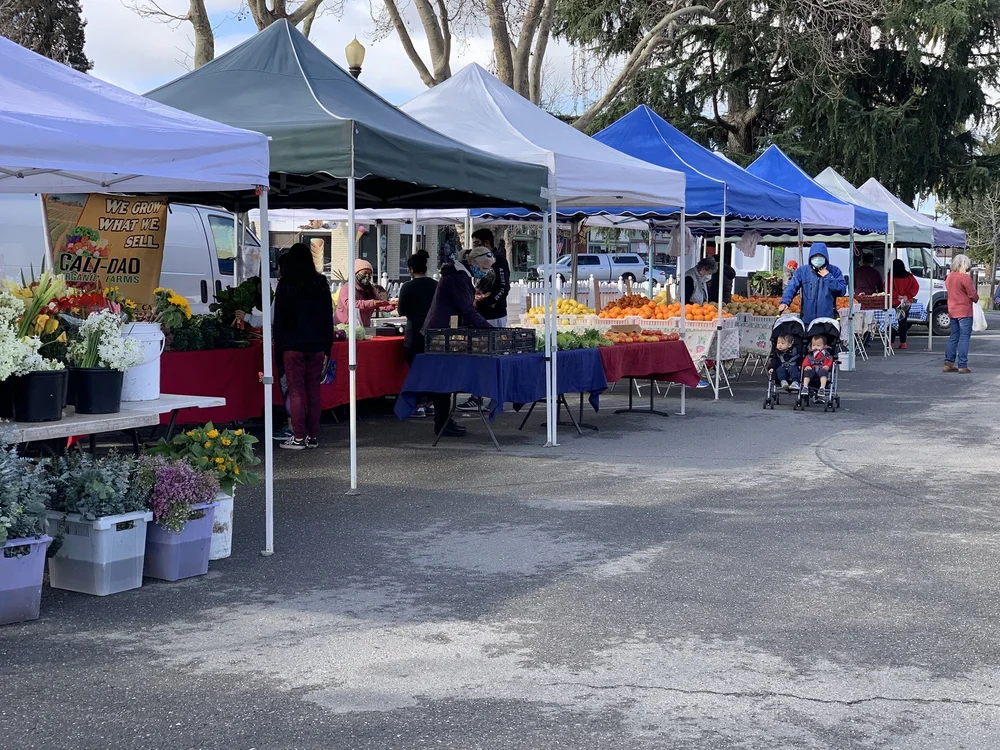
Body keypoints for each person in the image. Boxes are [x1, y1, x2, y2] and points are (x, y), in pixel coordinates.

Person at [422, 245, 496, 437]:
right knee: (443, 380)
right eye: (485, 268)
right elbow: (467, 310)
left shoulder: (457, 275)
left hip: (444, 331)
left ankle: (445, 421)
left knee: (444, 379)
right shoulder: (456, 277)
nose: (485, 272)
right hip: (440, 334)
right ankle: (442, 422)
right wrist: (489, 328)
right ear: (473, 263)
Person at [273, 243, 334, 450]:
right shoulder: (321, 283)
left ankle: (298, 437)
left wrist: (277, 347)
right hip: (317, 345)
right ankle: (313, 436)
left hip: (292, 346)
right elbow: (328, 318)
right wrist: (328, 347)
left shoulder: (286, 284)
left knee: (296, 391)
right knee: (314, 391)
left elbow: (279, 320)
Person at [397, 250, 438, 418]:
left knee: (415, 368)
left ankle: (418, 404)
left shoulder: (407, 287)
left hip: (414, 331)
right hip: (432, 331)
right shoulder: (435, 285)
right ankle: (430, 402)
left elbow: (401, 310)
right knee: (430, 368)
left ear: (411, 269)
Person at [778, 243, 846, 325]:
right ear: (810, 258)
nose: (817, 259)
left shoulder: (834, 271)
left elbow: (842, 290)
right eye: (815, 256)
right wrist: (785, 302)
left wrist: (828, 277)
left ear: (826, 258)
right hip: (807, 319)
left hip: (827, 320)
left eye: (820, 256)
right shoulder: (802, 271)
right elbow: (791, 287)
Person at [944, 253, 979, 374]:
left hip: (952, 310)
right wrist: (976, 298)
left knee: (953, 337)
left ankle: (948, 363)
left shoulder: (949, 277)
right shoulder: (964, 277)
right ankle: (962, 365)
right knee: (964, 338)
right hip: (964, 311)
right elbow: (973, 295)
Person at [334, 258, 395, 327]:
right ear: (356, 273)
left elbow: (380, 304)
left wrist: (392, 305)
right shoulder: (347, 287)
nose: (367, 276)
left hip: (364, 327)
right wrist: (372, 303)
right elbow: (350, 304)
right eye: (365, 273)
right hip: (344, 327)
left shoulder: (371, 289)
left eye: (369, 274)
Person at [473, 229, 511, 327]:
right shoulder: (476, 260)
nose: (475, 248)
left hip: (495, 314)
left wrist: (485, 302)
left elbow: (503, 287)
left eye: (477, 244)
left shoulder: (499, 261)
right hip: (478, 313)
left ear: (486, 243)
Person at [887, 258, 920, 350]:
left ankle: (891, 342)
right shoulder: (909, 276)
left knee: (892, 322)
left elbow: (887, 287)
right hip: (906, 302)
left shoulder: (891, 276)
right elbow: (916, 287)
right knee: (903, 322)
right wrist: (907, 296)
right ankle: (903, 342)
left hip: (894, 302)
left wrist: (897, 296)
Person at [801, 334, 834, 402]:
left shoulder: (826, 355)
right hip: (812, 370)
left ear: (824, 346)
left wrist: (827, 366)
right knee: (807, 372)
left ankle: (822, 388)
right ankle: (805, 387)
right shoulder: (809, 355)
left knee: (823, 372)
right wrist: (807, 366)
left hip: (821, 370)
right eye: (813, 345)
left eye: (818, 345)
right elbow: (805, 362)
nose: (815, 347)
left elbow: (830, 361)